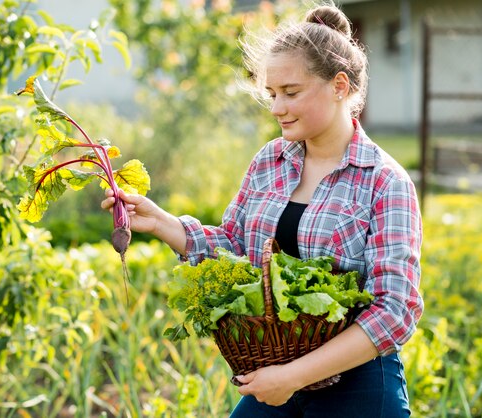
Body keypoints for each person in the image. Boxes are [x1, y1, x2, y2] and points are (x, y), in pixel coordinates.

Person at [102, 3, 423, 417]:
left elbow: (395, 311)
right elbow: (237, 248)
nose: (276, 108)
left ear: (339, 86)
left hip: (356, 383)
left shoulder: (384, 182)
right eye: (272, 94)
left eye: (290, 93)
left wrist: (293, 377)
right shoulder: (270, 161)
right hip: (274, 372)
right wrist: (160, 221)